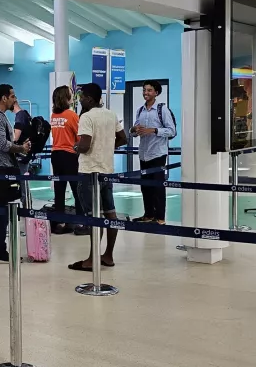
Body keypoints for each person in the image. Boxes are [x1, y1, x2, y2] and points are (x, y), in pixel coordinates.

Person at [69, 83, 127, 271]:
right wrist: (107, 148)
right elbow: (123, 138)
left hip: (89, 173)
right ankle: (108, 255)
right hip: (107, 171)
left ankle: (92, 259)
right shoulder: (111, 114)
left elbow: (85, 145)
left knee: (93, 217)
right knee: (110, 213)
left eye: (82, 97)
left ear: (91, 99)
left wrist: (76, 147)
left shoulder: (86, 117)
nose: (80, 100)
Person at [0, 84, 31, 264]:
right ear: (4, 98)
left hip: (3, 167)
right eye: (12, 96)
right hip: (0, 169)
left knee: (1, 211)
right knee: (2, 212)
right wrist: (20, 148)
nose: (15, 99)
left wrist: (20, 148)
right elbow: (1, 144)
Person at [130, 80, 177, 225]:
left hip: (157, 154)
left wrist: (154, 130)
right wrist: (134, 130)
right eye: (144, 90)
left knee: (158, 187)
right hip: (144, 154)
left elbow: (172, 131)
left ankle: (160, 218)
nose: (146, 93)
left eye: (149, 90)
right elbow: (134, 132)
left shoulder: (162, 110)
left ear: (156, 93)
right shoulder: (140, 110)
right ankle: (148, 214)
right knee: (145, 187)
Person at [49, 85, 83, 234]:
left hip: (55, 154)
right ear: (67, 98)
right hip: (69, 155)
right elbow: (79, 138)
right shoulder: (72, 115)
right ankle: (81, 221)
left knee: (59, 190)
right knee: (77, 190)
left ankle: (58, 223)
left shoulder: (53, 116)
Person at [11, 99, 33, 175]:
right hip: (26, 151)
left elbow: (15, 138)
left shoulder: (20, 116)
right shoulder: (26, 114)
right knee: (24, 177)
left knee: (21, 179)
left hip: (21, 153)